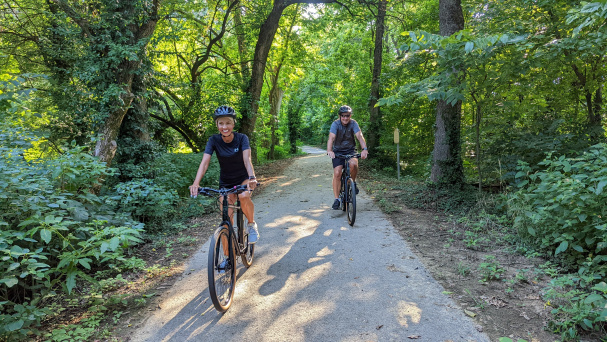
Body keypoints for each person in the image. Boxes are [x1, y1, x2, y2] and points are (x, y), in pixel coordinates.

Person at [189, 105, 259, 243]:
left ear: (233, 123)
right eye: (221, 123)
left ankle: (251, 225)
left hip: (243, 178)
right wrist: (196, 184)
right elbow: (204, 163)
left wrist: (252, 178)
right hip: (226, 182)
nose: (224, 126)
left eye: (228, 122)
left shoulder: (242, 138)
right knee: (226, 223)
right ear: (217, 124)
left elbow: (247, 159)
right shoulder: (214, 140)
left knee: (244, 196)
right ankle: (226, 260)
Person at [326, 105, 368, 210]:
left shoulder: (353, 123)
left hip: (350, 150)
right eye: (343, 116)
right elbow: (331, 138)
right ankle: (337, 199)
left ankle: (352, 183)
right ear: (340, 116)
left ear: (350, 115)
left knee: (353, 165)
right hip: (338, 151)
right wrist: (329, 150)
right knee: (337, 173)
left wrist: (365, 149)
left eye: (347, 115)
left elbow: (359, 136)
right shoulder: (335, 124)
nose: (345, 118)